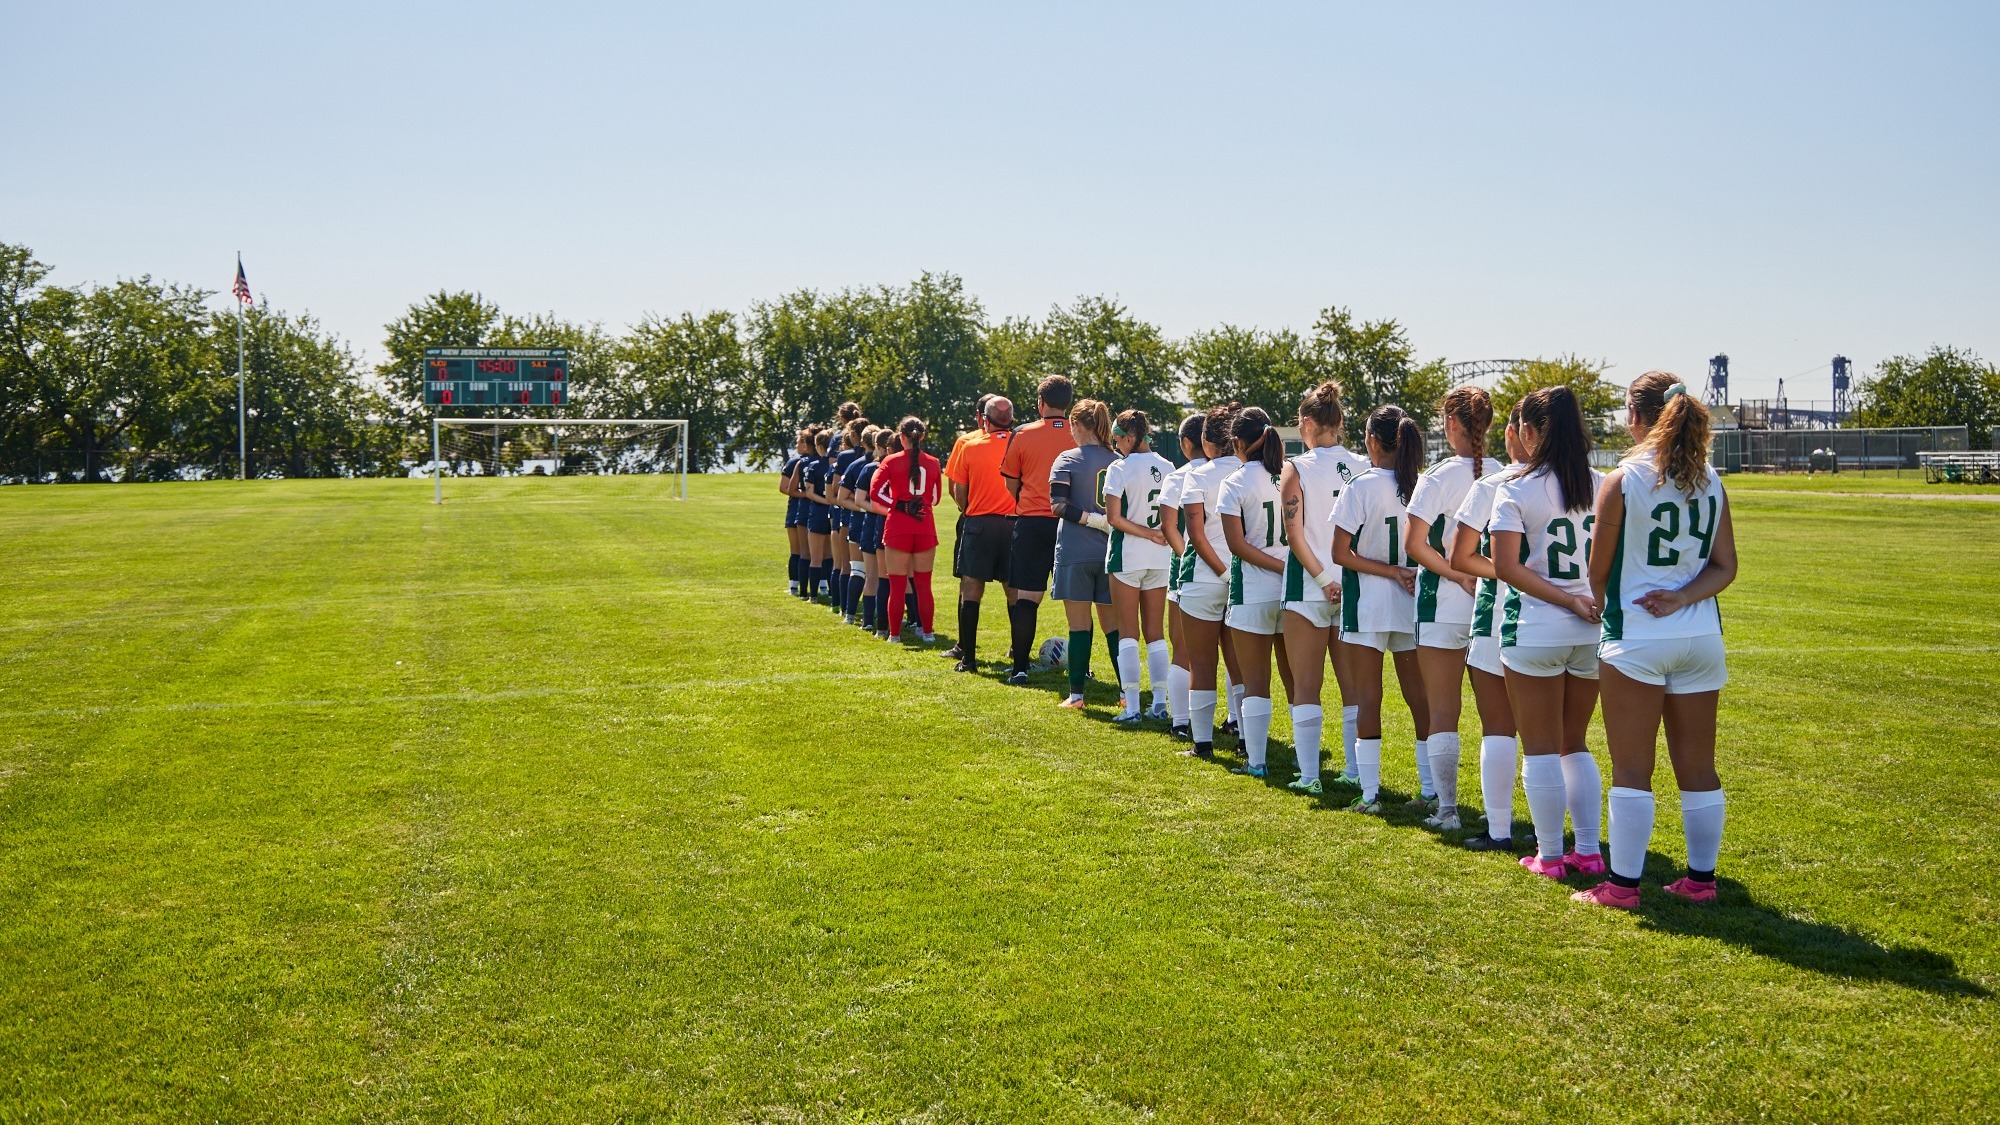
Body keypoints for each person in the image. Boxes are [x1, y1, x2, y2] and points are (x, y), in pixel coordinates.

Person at [1574, 372, 1737, 909]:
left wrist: (1605, 597)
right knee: (1698, 767)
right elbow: (1725, 568)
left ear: (1639, 417)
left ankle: (1621, 888)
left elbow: (1597, 571)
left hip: (1637, 637)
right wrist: (1681, 597)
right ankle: (1701, 880)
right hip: (1700, 636)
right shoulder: (1712, 478)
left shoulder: (1623, 479)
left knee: (1631, 770)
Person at [1491, 385, 1606, 879]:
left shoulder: (1516, 487)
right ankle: (1589, 851)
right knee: (1574, 743)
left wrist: (1564, 599)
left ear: (1532, 432)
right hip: (1594, 629)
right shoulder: (1605, 482)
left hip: (1538, 627)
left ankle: (1551, 856)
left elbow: (1505, 568)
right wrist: (1587, 600)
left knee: (1540, 747)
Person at [1330, 405, 1431, 814]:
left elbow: (1340, 553)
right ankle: (1430, 790)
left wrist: (1388, 571)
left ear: (1372, 440)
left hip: (1368, 604)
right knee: (1420, 699)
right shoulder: (1421, 484)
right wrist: (1400, 572)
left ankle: (1370, 795)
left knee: (1368, 697)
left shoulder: (1360, 486)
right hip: (1411, 602)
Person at [1402, 386, 1496, 831]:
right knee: (1500, 717)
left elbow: (1414, 545)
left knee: (1443, 711)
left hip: (1441, 603)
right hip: (1492, 603)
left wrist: (1458, 575)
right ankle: (1503, 819)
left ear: (1452, 424)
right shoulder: (1507, 472)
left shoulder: (1437, 476)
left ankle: (1448, 811)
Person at [1278, 381, 1372, 795]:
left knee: (1305, 686)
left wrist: (1321, 580)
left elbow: (1293, 535)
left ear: (1309, 423)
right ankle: (1354, 770)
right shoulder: (1364, 464)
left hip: (1309, 586)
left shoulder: (1297, 466)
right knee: (1353, 687)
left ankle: (1311, 776)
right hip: (1352, 584)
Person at [1450, 404, 1531, 852]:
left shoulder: (1494, 485)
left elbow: (1460, 557)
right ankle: (1556, 835)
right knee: (1557, 737)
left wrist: (1519, 575)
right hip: (1571, 620)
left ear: (1516, 433)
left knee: (1497, 727)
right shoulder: (1589, 481)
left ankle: (1500, 830)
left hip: (1501, 614)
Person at [1218, 406, 1292, 777]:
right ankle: (1304, 759)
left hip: (1253, 591)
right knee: (1298, 681)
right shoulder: (1291, 475)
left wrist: (1279, 566)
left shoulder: (1234, 482)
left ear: (1238, 442)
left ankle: (1258, 762)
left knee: (1254, 682)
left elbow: (1236, 545)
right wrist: (1290, 569)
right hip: (1294, 591)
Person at [1175, 405, 1245, 760]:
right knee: (1241, 667)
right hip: (1245, 579)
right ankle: (1249, 742)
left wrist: (1221, 573)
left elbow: (1196, 536)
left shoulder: (1198, 475)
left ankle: (1202, 745)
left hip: (1204, 577)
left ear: (1206, 440)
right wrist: (1233, 576)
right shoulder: (1253, 472)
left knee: (1201, 664)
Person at [1000, 376, 1078, 684]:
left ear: (1040, 403)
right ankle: (1081, 668)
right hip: (1071, 523)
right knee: (1078, 599)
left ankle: (1020, 668)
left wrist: (1027, 499)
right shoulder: (1079, 434)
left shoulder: (1022, 433)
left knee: (1027, 596)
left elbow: (1010, 481)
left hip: (1032, 522)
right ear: (1067, 403)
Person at [1102, 409, 1175, 722]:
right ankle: (1159, 704)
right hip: (1160, 557)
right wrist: (1157, 536)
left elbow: (1113, 518)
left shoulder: (1119, 468)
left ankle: (1132, 707)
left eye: (1118, 439)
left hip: (1128, 555)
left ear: (1131, 437)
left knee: (1128, 633)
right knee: (1156, 633)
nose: (1116, 444)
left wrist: (1146, 533)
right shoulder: (1169, 466)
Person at [1048, 400, 1122, 709]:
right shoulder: (1120, 460)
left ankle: (1077, 695)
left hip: (1076, 552)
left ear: (1077, 426)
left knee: (1079, 626)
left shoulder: (1067, 459)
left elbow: (1058, 505)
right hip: (1113, 552)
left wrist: (1092, 520)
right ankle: (1125, 693)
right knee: (1115, 628)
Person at [944, 396, 1018, 672]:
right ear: (1011, 419)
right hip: (1013, 524)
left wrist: (969, 507)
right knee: (1014, 590)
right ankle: (1019, 659)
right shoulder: (1020, 443)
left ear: (984, 420)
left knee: (971, 589)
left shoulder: (970, 446)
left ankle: (969, 659)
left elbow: (958, 490)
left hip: (978, 524)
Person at [1156, 413, 1209, 739]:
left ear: (1188, 443)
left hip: (1188, 569)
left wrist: (1185, 554)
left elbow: (1167, 525)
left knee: (1183, 649)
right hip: (1230, 566)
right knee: (1232, 653)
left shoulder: (1179, 476)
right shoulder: (1234, 470)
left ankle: (1179, 721)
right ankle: (1235, 722)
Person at [868, 416, 942, 643]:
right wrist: (917, 504)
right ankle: (927, 633)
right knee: (923, 584)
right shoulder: (934, 462)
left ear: (901, 437)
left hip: (898, 526)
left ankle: (895, 635)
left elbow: (875, 493)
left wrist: (898, 504)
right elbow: (935, 498)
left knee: (897, 585)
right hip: (924, 526)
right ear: (923, 436)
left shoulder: (890, 461)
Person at [832, 416, 871, 622]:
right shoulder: (876, 462)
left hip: (851, 516)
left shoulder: (849, 460)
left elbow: (836, 493)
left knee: (850, 566)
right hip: (872, 517)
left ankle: (845, 609)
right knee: (878, 571)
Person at [850, 425, 885, 631]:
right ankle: (910, 621)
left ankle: (869, 621)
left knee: (872, 576)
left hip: (872, 521)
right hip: (883, 522)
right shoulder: (875, 468)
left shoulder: (870, 468)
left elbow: (859, 500)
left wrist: (879, 509)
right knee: (890, 577)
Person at [796, 427, 835, 602]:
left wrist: (825, 501)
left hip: (818, 512)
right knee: (832, 557)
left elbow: (809, 492)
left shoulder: (814, 465)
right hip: (834, 513)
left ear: (819, 446)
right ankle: (833, 593)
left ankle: (812, 595)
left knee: (815, 558)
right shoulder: (836, 466)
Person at [779, 429, 813, 596]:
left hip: (799, 510)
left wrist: (804, 494)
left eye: (799, 441)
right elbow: (784, 488)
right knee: (805, 551)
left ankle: (796, 586)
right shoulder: (795, 462)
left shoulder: (797, 463)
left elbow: (784, 488)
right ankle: (800, 585)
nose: (797, 445)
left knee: (799, 551)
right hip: (802, 509)